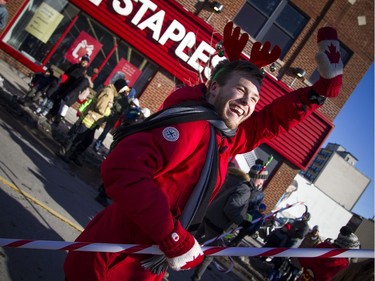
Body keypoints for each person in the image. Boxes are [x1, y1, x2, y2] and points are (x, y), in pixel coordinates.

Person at [64, 22, 344, 281]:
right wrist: (172, 236)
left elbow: (270, 121)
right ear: (213, 89)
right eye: (240, 90)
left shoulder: (222, 136)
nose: (247, 102)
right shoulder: (191, 126)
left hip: (144, 262)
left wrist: (316, 94)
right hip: (111, 262)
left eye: (254, 98)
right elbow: (123, 171)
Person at [191, 166, 253, 281]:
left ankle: (168, 260)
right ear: (256, 179)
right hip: (217, 224)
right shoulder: (244, 189)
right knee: (209, 253)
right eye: (262, 179)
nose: (263, 182)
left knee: (192, 240)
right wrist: (242, 222)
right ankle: (196, 277)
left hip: (207, 214)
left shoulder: (231, 179)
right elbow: (231, 208)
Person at [57, 78, 128, 166]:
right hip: (90, 119)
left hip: (94, 122)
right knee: (76, 137)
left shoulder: (112, 94)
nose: (122, 91)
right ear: (119, 87)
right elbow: (100, 107)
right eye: (122, 89)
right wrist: (109, 112)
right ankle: (63, 152)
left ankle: (74, 155)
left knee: (87, 141)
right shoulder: (108, 92)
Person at [48, 55, 90, 125]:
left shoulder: (83, 72)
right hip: (64, 85)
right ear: (81, 60)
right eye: (83, 61)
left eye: (86, 62)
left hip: (70, 89)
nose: (84, 63)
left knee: (61, 104)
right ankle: (51, 114)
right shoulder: (74, 66)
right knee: (57, 100)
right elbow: (66, 73)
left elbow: (79, 84)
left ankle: (54, 117)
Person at [93, 87, 131, 153]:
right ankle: (93, 139)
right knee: (96, 124)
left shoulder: (126, 101)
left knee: (105, 131)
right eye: (126, 91)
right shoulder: (119, 96)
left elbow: (122, 111)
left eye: (128, 92)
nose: (126, 92)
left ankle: (98, 143)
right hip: (108, 112)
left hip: (113, 116)